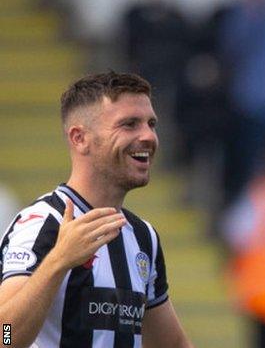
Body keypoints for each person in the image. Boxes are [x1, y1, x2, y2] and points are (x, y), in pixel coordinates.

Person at [0, 72, 193, 348]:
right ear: (80, 138)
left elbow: (172, 345)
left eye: (151, 124)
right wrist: (57, 262)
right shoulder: (43, 224)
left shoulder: (142, 237)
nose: (149, 136)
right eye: (129, 124)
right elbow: (4, 336)